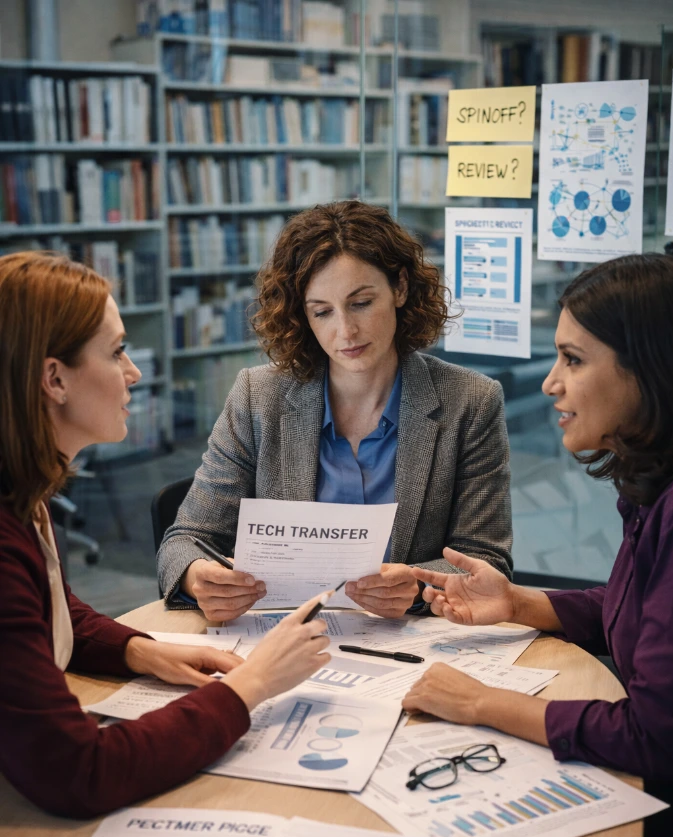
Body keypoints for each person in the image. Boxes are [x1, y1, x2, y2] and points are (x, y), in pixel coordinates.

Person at [404, 253, 673, 837]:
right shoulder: (660, 485)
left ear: (650, 370)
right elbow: (648, 615)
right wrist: (519, 602)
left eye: (573, 359)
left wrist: (479, 704)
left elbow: (659, 735)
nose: (551, 384)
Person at [0, 252, 331, 820]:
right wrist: (251, 685)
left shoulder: (21, 495)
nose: (133, 373)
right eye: (117, 351)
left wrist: (141, 651)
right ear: (54, 378)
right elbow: (82, 773)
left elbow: (52, 613)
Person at [157, 200, 513, 622]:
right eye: (322, 312)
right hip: (285, 642)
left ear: (399, 288)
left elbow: (485, 559)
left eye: (361, 303)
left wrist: (416, 586)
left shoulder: (470, 402)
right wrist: (199, 577)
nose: (345, 331)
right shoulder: (258, 397)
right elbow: (184, 541)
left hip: (410, 644)